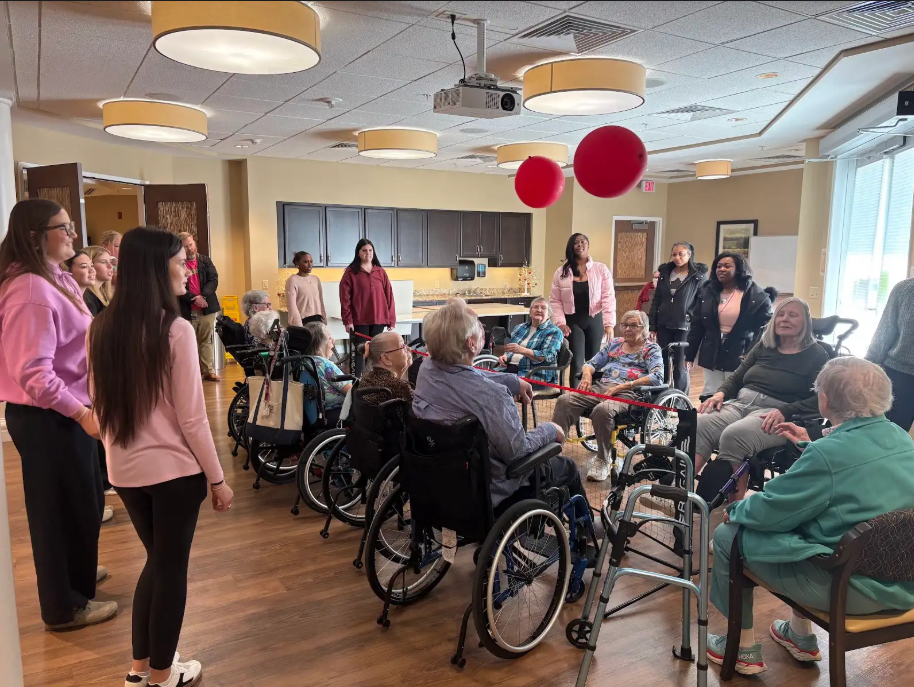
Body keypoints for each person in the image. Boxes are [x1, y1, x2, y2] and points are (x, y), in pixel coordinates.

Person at [705, 357, 914, 676]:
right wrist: (810, 444)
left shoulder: (828, 454)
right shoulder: (901, 438)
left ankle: (742, 647)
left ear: (825, 399)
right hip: (904, 583)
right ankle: (800, 636)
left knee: (727, 536)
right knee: (815, 526)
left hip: (850, 589)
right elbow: (852, 467)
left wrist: (737, 508)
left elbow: (771, 513)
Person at [88, 227, 233, 687]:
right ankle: (162, 675)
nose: (187, 270)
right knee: (170, 569)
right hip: (173, 472)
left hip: (126, 472)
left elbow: (100, 406)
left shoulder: (101, 326)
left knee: (158, 562)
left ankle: (139, 671)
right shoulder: (175, 330)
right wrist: (217, 478)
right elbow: (192, 419)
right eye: (179, 263)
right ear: (156, 269)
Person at [0, 199, 114, 630]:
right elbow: (32, 373)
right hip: (51, 416)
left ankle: (77, 578)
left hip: (68, 412)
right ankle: (64, 605)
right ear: (34, 235)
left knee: (84, 502)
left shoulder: (55, 276)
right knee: (58, 512)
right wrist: (81, 413)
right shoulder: (30, 290)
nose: (72, 233)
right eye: (62, 227)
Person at [412, 298, 585, 509]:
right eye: (479, 326)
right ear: (471, 343)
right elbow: (517, 453)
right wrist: (550, 429)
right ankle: (585, 531)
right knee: (568, 467)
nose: (483, 329)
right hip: (488, 488)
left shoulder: (426, 368)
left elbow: (468, 375)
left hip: (439, 477)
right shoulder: (492, 397)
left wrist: (512, 381)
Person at [695, 298, 830, 501]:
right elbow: (738, 375)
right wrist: (721, 392)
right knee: (700, 423)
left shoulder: (817, 354)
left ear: (806, 322)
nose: (784, 319)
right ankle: (683, 497)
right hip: (741, 403)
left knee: (735, 435)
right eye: (780, 315)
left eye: (793, 315)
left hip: (777, 414)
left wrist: (786, 410)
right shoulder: (764, 346)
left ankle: (734, 511)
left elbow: (822, 399)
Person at [552, 310, 664, 482]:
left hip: (630, 393)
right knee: (564, 400)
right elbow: (591, 363)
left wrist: (625, 385)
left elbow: (657, 377)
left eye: (633, 325)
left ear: (644, 329)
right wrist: (587, 375)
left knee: (602, 410)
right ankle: (554, 452)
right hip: (602, 387)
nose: (627, 329)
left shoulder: (651, 349)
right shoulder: (616, 344)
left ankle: (603, 460)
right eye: (625, 325)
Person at [686, 252, 777, 399]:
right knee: (711, 392)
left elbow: (763, 331)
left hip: (739, 349)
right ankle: (708, 420)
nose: (721, 269)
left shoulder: (756, 296)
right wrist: (689, 355)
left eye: (727, 266)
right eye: (719, 266)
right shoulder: (708, 291)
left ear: (739, 269)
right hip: (712, 347)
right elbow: (697, 325)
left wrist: (750, 353)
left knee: (733, 392)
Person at [66, 250, 115, 513]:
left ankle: (103, 483)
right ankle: (103, 483)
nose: (99, 269)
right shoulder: (84, 299)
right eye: (86, 266)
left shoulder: (99, 295)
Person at [549, 233, 616, 384]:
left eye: (583, 242)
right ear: (571, 247)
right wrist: (560, 323)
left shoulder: (601, 269)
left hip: (594, 320)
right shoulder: (561, 272)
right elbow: (555, 300)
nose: (580, 245)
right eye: (576, 243)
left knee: (595, 361)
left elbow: (608, 297)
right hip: (572, 322)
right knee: (577, 362)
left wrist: (609, 324)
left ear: (588, 245)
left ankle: (594, 396)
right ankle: (574, 398)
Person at [650, 241, 708, 393]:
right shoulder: (665, 273)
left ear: (689, 255)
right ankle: (660, 401)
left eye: (681, 254)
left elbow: (702, 301)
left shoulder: (698, 276)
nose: (677, 257)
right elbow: (657, 300)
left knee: (680, 366)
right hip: (664, 325)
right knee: (661, 364)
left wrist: (689, 315)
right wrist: (652, 325)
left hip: (684, 327)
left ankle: (681, 404)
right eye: (674, 254)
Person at [340, 238, 396, 376]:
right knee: (360, 352)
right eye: (364, 250)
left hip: (379, 319)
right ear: (358, 253)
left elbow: (389, 295)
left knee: (377, 352)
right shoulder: (350, 272)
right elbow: (344, 298)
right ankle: (356, 382)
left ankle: (377, 379)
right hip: (359, 320)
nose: (368, 253)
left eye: (370, 250)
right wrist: (348, 320)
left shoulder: (380, 272)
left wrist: (391, 319)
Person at [866, 277, 914, 431]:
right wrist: (866, 369)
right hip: (899, 376)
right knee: (885, 436)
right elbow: (884, 333)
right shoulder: (904, 289)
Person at [177, 232, 221, 382]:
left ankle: (208, 371)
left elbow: (213, 280)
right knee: (188, 342)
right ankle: (190, 373)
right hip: (186, 309)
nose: (190, 248)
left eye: (191, 244)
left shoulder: (205, 261)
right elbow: (175, 285)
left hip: (207, 308)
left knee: (206, 340)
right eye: (186, 246)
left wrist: (203, 296)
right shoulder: (177, 264)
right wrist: (194, 299)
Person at [496, 296, 564, 385]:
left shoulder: (554, 331)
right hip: (509, 369)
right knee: (484, 381)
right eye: (535, 307)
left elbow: (547, 356)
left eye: (543, 308)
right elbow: (511, 349)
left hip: (533, 374)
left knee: (498, 387)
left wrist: (521, 350)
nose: (539, 310)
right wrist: (505, 356)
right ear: (530, 312)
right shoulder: (520, 327)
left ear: (549, 314)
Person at [302, 321, 353, 425]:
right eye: (329, 338)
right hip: (336, 412)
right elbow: (350, 391)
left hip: (316, 412)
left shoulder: (305, 361)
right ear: (320, 343)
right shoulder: (325, 365)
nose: (333, 341)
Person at [360, 330, 413, 406]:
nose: (409, 349)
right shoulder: (400, 387)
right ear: (386, 359)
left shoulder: (366, 379)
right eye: (403, 347)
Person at [285, 251, 326, 326]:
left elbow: (320, 300)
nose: (309, 265)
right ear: (297, 263)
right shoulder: (292, 280)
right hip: (303, 320)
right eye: (305, 262)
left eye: (311, 261)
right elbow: (292, 307)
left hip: (318, 319)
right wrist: (298, 326)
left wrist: (324, 318)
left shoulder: (315, 279)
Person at [82, 245, 115, 316]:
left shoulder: (105, 294)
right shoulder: (87, 298)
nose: (110, 266)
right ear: (90, 266)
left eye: (110, 261)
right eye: (103, 262)